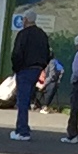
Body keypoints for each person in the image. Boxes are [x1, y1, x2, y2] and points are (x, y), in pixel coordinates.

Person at [9, 10, 51, 143]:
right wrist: (42, 66)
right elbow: (48, 53)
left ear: (26, 20)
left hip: (25, 69)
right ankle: (22, 128)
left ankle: (22, 131)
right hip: (37, 70)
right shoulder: (42, 34)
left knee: (22, 100)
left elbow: (17, 53)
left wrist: (16, 68)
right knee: (26, 99)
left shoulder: (23, 34)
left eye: (23, 19)